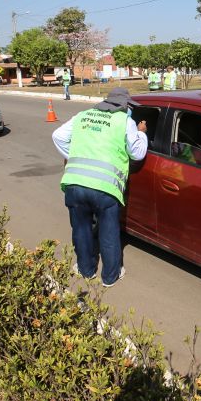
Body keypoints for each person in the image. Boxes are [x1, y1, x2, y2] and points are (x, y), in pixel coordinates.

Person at [52, 87, 148, 287]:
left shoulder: (83, 115)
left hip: (75, 184)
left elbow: (58, 136)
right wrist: (141, 134)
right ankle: (110, 277)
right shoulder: (125, 121)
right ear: (124, 105)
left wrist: (75, 157)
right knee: (108, 232)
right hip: (105, 188)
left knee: (81, 229)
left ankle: (86, 270)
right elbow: (137, 154)